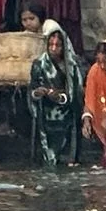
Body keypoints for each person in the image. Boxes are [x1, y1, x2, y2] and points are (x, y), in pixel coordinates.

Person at [28, 20, 84, 166]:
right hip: (46, 116)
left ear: (64, 46)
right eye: (51, 45)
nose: (54, 49)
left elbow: (76, 92)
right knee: (50, 157)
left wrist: (60, 97)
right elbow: (32, 88)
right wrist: (38, 93)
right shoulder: (39, 64)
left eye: (58, 45)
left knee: (68, 158)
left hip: (68, 115)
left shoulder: (72, 66)